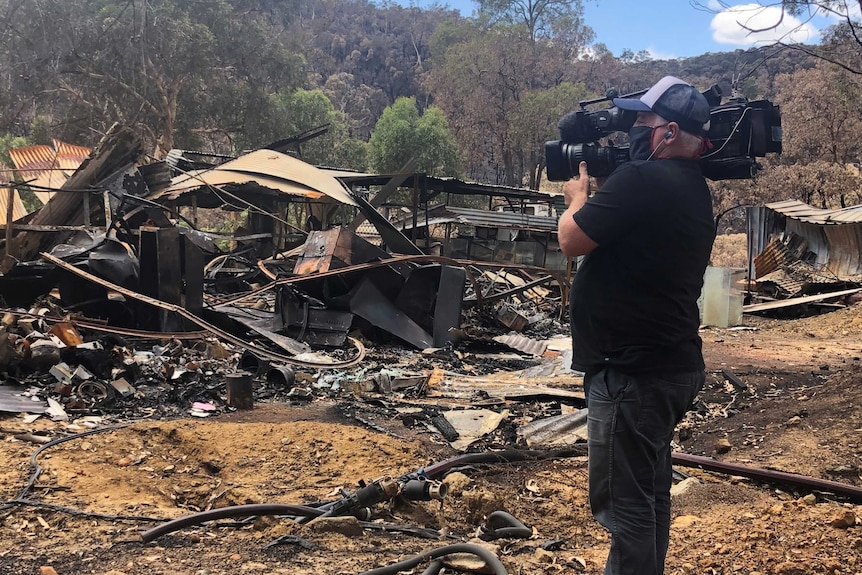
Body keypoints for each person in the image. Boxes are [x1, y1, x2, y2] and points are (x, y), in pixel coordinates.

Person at [556, 76, 715, 575]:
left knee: (623, 506)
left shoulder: (642, 181)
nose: (631, 133)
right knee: (648, 494)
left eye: (641, 123)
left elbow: (572, 240)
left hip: (630, 373)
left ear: (666, 133)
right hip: (669, 366)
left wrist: (576, 197)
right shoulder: (691, 188)